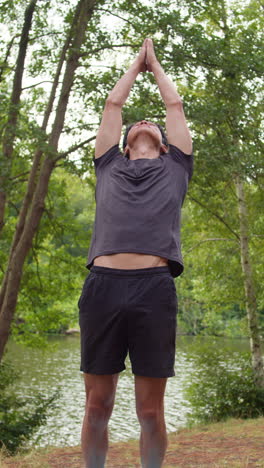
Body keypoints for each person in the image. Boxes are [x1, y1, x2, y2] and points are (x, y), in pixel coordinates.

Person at [78, 38, 193, 468]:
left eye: (153, 124)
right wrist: (135, 63)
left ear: (164, 144)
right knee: (96, 406)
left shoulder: (175, 166)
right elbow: (112, 105)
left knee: (149, 411)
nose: (144, 121)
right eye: (135, 123)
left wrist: (156, 64)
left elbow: (175, 107)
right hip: (103, 288)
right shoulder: (109, 164)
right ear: (125, 143)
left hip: (153, 290)